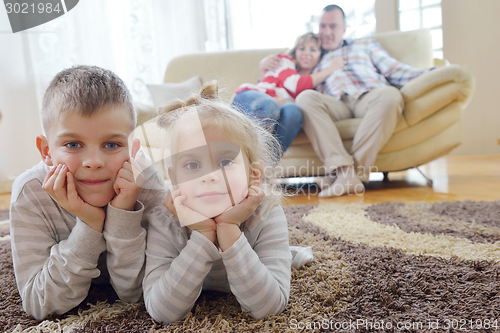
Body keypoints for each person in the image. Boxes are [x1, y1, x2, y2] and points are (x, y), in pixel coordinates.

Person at [9, 65, 167, 319]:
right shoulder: (30, 193)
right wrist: (90, 224)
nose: (93, 162)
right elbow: (40, 303)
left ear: (133, 150)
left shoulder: (145, 181)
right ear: (46, 151)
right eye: (73, 144)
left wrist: (123, 213)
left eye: (112, 144)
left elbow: (140, 294)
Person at [142, 82, 293, 324]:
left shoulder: (266, 213)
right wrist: (202, 235)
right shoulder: (165, 219)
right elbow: (162, 312)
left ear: (253, 175)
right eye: (192, 165)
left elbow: (269, 308)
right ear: (174, 179)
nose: (208, 177)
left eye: (224, 162)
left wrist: (228, 228)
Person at [261, 5, 433, 197]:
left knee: (391, 95)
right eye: (322, 26)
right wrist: (265, 63)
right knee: (305, 98)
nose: (326, 32)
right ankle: (345, 174)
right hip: (334, 104)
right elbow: (289, 72)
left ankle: (345, 176)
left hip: (369, 96)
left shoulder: (364, 45)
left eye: (333, 26)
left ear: (344, 28)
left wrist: (429, 74)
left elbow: (395, 70)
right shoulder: (313, 53)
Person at [233, 32, 344, 158]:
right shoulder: (284, 61)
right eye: (302, 48)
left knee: (294, 112)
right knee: (270, 104)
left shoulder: (316, 84)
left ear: (321, 55)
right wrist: (331, 69)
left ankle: (263, 167)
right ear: (295, 52)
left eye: (313, 49)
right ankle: (247, 156)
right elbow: (296, 85)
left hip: (276, 108)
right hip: (250, 97)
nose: (306, 53)